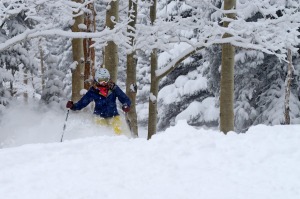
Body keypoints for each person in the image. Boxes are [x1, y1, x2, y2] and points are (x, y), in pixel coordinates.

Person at [66, 68, 131, 135]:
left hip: (113, 115)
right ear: (97, 80)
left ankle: (121, 142)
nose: (103, 82)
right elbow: (83, 102)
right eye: (100, 80)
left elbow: (124, 98)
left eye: (105, 80)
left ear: (108, 79)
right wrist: (73, 106)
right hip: (99, 116)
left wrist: (126, 105)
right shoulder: (93, 91)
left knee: (118, 131)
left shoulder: (113, 88)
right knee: (102, 132)